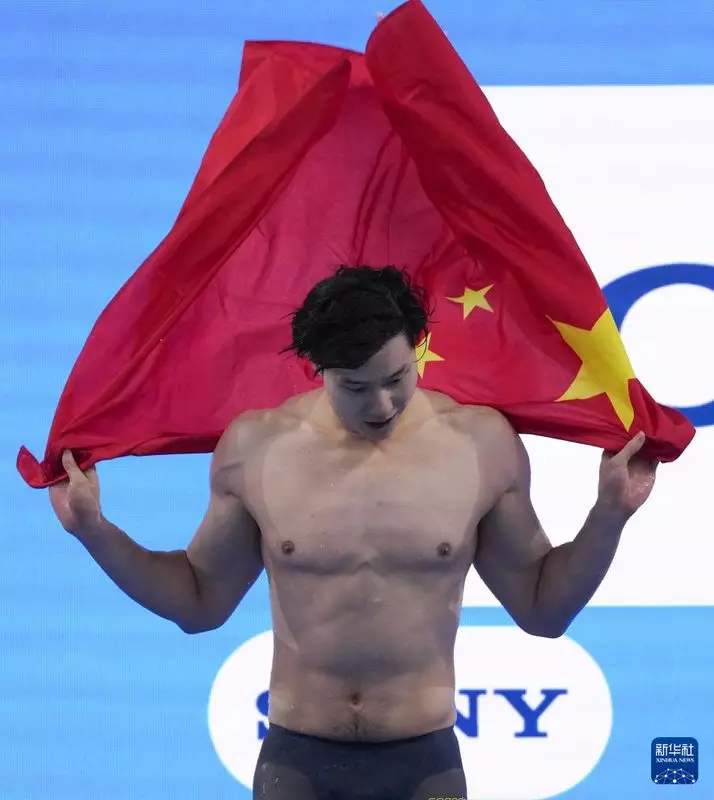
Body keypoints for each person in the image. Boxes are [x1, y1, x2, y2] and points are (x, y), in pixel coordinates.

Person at [49, 265, 658, 799]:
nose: (382, 405)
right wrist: (95, 532)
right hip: (298, 761)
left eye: (397, 378)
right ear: (318, 368)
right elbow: (198, 601)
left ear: (418, 347)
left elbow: (543, 608)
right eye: (356, 388)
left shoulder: (481, 446)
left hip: (424, 762)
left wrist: (610, 514)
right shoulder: (256, 448)